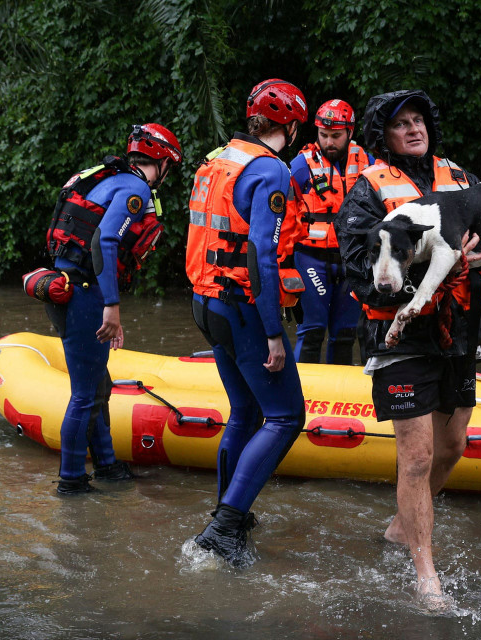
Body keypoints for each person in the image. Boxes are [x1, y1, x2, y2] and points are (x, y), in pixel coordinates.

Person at [335, 90, 481, 609]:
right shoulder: (367, 192)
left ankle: (399, 530)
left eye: (419, 121)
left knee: (452, 448)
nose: (414, 130)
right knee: (419, 454)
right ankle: (427, 573)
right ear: (384, 136)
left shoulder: (463, 179)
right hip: (400, 336)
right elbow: (361, 273)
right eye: (401, 124)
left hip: (460, 332)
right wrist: (429, 280)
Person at [186, 79, 308, 568]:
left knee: (244, 412)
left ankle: (227, 511)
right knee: (285, 416)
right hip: (242, 306)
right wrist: (274, 332)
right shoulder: (271, 171)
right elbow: (260, 252)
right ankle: (225, 525)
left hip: (206, 300)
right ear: (293, 127)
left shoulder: (219, 159)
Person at [45, 123, 183, 495]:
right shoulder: (136, 188)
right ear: (162, 161)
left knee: (97, 385)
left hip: (67, 289)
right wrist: (112, 307)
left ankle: (106, 466)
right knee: (85, 395)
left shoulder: (104, 178)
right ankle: (72, 481)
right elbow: (105, 240)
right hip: (86, 295)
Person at [288, 100, 375, 364]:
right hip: (311, 258)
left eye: (336, 136)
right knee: (312, 329)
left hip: (353, 260)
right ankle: (302, 394)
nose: (329, 142)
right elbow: (284, 216)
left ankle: (341, 395)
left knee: (345, 333)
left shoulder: (368, 162)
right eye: (323, 135)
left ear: (350, 132)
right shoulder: (301, 166)